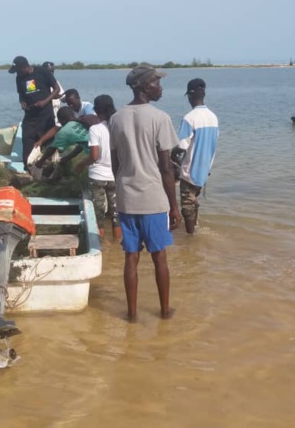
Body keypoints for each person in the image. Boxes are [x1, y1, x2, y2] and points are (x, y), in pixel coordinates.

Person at [109, 65, 181, 322]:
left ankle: (131, 315)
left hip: (127, 198)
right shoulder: (160, 118)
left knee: (131, 257)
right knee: (159, 256)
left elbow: (115, 165)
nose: (160, 86)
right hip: (153, 199)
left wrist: (124, 186)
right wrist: (174, 207)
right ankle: (164, 312)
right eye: (156, 82)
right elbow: (166, 169)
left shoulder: (116, 118)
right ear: (143, 86)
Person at [176, 78, 220, 234]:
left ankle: (190, 237)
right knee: (195, 202)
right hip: (204, 170)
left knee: (187, 206)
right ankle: (194, 228)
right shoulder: (213, 117)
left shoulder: (189, 118)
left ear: (189, 96)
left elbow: (182, 146)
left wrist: (171, 154)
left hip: (189, 171)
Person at [76, 94, 120, 239]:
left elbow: (94, 156)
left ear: (96, 110)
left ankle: (100, 247)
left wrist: (81, 164)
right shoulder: (118, 127)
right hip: (115, 175)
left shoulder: (95, 129)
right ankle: (117, 245)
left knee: (99, 215)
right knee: (116, 215)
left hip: (97, 176)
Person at [9, 56, 60, 166]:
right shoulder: (19, 78)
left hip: (45, 114)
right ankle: (28, 167)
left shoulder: (42, 72)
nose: (17, 73)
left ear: (24, 67)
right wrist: (22, 102)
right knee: (27, 138)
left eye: (18, 70)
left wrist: (45, 101)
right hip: (30, 115)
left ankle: (49, 166)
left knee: (47, 140)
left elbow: (57, 89)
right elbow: (21, 95)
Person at [33, 106, 89, 173]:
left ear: (62, 120)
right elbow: (81, 145)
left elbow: (52, 149)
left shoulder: (64, 130)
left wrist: (40, 162)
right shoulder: (81, 123)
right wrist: (67, 158)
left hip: (96, 156)